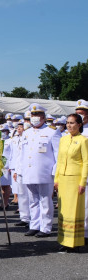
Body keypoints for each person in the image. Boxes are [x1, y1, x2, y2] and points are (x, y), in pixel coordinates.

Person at [15, 103, 61, 238]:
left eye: (37, 114)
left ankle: (45, 227)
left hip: (45, 172)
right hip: (28, 172)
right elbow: (21, 153)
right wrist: (19, 170)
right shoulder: (27, 133)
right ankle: (34, 225)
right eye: (33, 115)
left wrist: (55, 172)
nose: (35, 117)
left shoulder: (52, 132)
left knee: (45, 200)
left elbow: (58, 154)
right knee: (32, 200)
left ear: (43, 117)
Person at [54, 114, 88, 253]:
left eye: (72, 123)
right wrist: (56, 179)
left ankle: (75, 243)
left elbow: (86, 162)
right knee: (63, 211)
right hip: (63, 179)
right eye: (67, 123)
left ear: (79, 125)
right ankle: (64, 241)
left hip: (75, 179)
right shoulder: (63, 139)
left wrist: (83, 182)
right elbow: (60, 160)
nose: (69, 125)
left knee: (74, 212)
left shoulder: (83, 140)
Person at [11, 119, 30, 227]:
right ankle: (24, 218)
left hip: (30, 170)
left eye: (21, 127)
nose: (19, 129)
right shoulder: (17, 139)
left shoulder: (30, 138)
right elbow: (18, 157)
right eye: (18, 127)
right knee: (22, 195)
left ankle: (33, 219)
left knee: (32, 197)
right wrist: (16, 171)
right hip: (20, 171)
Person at [75, 99, 88, 245]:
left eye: (82, 113)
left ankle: (85, 233)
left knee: (86, 205)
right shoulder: (71, 130)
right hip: (73, 173)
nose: (79, 116)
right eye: (77, 113)